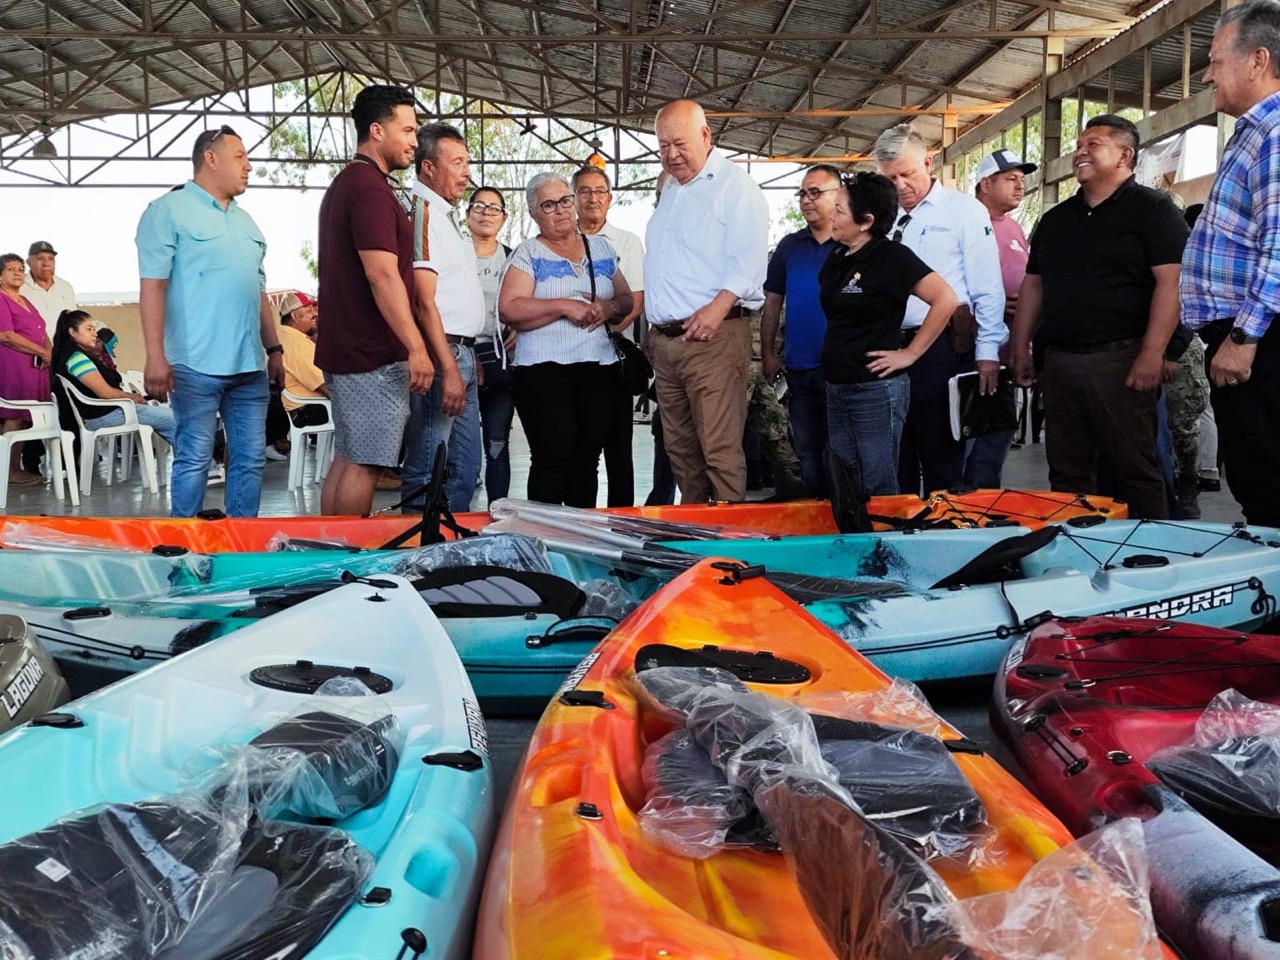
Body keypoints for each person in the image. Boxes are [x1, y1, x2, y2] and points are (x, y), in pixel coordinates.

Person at [1011, 115, 1188, 520]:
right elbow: (1033, 285)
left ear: (1125, 155)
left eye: (1094, 144)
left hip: (1122, 360)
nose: (1081, 152)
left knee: (1135, 469)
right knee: (1067, 471)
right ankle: (1076, 553)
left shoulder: (1153, 210)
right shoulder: (1056, 219)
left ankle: (1150, 555)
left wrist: (1153, 352)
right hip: (1060, 363)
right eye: (1079, 144)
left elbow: (1172, 284)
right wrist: (1021, 347)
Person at [136, 125, 283, 518]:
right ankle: (181, 552)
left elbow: (258, 294)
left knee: (250, 461)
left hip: (249, 366)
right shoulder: (167, 211)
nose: (249, 166)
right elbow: (152, 287)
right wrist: (155, 356)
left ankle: (240, 548)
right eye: (240, 157)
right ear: (210, 158)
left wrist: (275, 350)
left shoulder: (247, 222)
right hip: (194, 363)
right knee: (194, 460)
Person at [1180, 0, 1280, 527]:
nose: (1207, 72)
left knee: (1268, 480)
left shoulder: (1276, 130)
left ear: (1257, 60)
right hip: (1251, 335)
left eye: (1217, 60)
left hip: (1260, 340)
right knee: (1257, 475)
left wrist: (1243, 340)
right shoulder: (1254, 131)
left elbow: (1279, 242)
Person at [315, 85, 435, 517]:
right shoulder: (367, 188)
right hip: (371, 353)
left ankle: (327, 553)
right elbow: (381, 273)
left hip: (352, 348)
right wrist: (416, 347)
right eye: (407, 129)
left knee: (349, 456)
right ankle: (345, 560)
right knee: (365, 463)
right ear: (376, 130)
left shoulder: (352, 183)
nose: (413, 140)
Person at [644, 99, 769, 503]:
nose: (671, 155)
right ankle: (697, 527)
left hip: (712, 337)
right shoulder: (671, 190)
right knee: (678, 446)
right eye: (663, 146)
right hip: (666, 343)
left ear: (705, 135)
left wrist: (716, 309)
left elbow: (749, 259)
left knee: (718, 446)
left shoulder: (734, 186)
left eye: (679, 144)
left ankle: (728, 536)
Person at [873, 122, 1006, 496]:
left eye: (907, 174)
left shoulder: (963, 212)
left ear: (928, 163)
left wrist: (988, 353)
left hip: (944, 350)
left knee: (942, 458)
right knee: (895, 456)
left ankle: (946, 539)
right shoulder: (881, 219)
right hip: (889, 347)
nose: (900, 186)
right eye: (890, 178)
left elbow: (987, 288)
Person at [499, 171, 633, 506]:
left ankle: (578, 542)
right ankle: (545, 542)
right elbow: (510, 309)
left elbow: (627, 300)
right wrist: (563, 306)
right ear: (534, 213)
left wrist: (609, 306)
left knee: (586, 462)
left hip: (597, 367)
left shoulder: (600, 248)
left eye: (565, 201)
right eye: (549, 204)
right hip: (543, 371)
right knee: (552, 460)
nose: (560, 210)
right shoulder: (528, 253)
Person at [821, 173, 958, 495]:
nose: (832, 215)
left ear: (866, 221)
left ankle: (886, 542)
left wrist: (911, 353)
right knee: (844, 480)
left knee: (877, 481)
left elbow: (946, 299)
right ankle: (855, 541)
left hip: (873, 389)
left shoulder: (891, 257)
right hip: (836, 384)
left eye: (839, 210)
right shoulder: (838, 255)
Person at [401, 122, 478, 515]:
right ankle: (418, 553)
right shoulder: (423, 213)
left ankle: (452, 547)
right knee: (429, 461)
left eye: (467, 162)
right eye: (458, 162)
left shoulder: (446, 216)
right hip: (441, 350)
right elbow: (423, 300)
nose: (467, 171)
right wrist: (447, 365)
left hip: (460, 352)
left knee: (465, 464)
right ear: (428, 167)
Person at [762, 163, 842, 497]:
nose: (806, 200)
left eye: (815, 192)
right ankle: (816, 515)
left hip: (841, 369)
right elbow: (772, 301)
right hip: (799, 367)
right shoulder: (789, 247)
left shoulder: (851, 244)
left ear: (839, 196)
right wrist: (767, 352)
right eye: (802, 193)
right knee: (807, 451)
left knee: (841, 450)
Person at [964, 148, 1037, 488]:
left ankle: (983, 505)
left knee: (997, 439)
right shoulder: (966, 221)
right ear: (985, 184)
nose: (1020, 186)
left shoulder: (1014, 228)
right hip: (972, 356)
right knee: (966, 440)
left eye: (1021, 180)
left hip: (1008, 355)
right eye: (1010, 179)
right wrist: (988, 306)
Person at [575, 165, 647, 507]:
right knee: (579, 449)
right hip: (571, 360)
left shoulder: (628, 243)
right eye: (584, 191)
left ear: (610, 199)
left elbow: (634, 302)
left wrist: (602, 333)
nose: (592, 198)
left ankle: (624, 521)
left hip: (614, 360)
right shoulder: (558, 242)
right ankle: (579, 519)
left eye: (599, 191)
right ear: (573, 199)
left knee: (619, 448)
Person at [50, 309, 176, 446]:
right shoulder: (77, 359)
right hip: (103, 415)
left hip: (105, 412)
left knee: (171, 421)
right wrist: (132, 397)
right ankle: (191, 463)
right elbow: (106, 393)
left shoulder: (72, 355)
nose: (94, 333)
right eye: (89, 329)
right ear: (73, 332)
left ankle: (190, 461)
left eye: (94, 329)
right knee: (175, 420)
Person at [466, 186, 515, 503]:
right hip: (459, 357)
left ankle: (498, 514)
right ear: (467, 213)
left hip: (500, 361)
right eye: (479, 206)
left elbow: (528, 301)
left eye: (494, 208)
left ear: (504, 218)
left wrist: (520, 330)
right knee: (463, 446)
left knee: (497, 441)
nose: (486, 213)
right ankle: (459, 520)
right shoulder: (453, 255)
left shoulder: (513, 258)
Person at [0, 253, 52, 487]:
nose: (18, 273)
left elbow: (41, 329)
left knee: (25, 420)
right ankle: (9, 470)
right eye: (11, 269)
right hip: (14, 365)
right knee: (14, 417)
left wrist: (48, 352)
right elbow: (7, 335)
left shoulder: (24, 300)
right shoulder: (1, 299)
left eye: (20, 268)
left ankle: (14, 468)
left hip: (34, 367)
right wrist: (41, 352)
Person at [277, 291, 329, 426]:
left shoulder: (286, 335)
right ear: (294, 315)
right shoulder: (294, 340)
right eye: (309, 310)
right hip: (310, 410)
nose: (316, 314)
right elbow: (325, 386)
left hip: (307, 408)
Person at [20, 241, 77, 339]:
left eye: (51, 259)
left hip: (61, 351)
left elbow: (74, 319)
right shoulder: (19, 286)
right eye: (40, 258)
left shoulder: (65, 287)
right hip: (30, 350)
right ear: (29, 262)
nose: (46, 263)